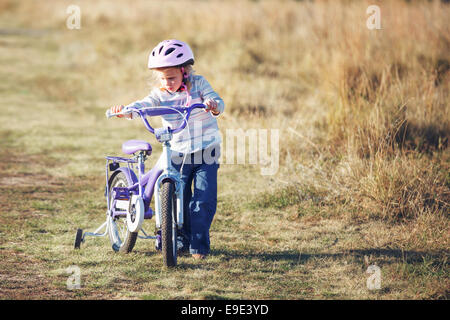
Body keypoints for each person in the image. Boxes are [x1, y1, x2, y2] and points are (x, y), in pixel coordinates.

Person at [109, 39, 224, 260]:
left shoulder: (199, 85)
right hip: (178, 151)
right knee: (177, 197)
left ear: (185, 72)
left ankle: (198, 248)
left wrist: (213, 105)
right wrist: (127, 111)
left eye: (171, 77)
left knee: (203, 199)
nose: (167, 82)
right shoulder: (160, 93)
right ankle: (175, 238)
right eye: (162, 78)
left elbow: (217, 101)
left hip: (206, 151)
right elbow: (145, 104)